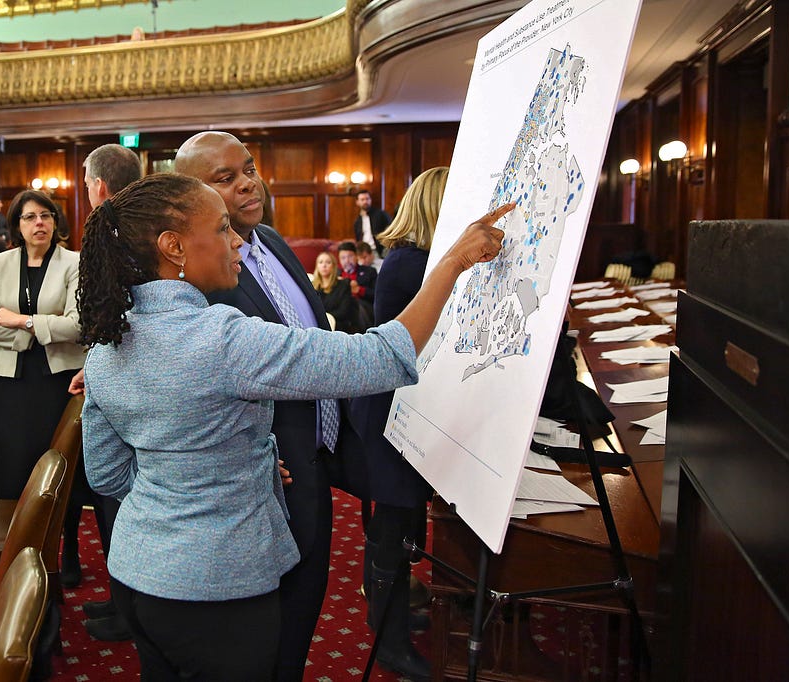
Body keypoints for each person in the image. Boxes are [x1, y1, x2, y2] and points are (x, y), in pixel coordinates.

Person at [78, 173, 511, 681]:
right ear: (173, 247)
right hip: (218, 587)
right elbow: (379, 357)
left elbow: (106, 474)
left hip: (138, 577)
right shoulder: (220, 339)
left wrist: (194, 478)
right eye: (221, 229)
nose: (237, 240)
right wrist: (454, 262)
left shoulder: (107, 345)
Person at [174, 131, 371, 681]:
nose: (247, 184)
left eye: (250, 169)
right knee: (261, 636)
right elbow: (194, 379)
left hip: (314, 461)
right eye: (225, 178)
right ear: (193, 195)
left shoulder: (273, 242)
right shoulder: (198, 272)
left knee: (303, 612)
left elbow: (304, 338)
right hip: (263, 476)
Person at [349, 166, 450, 679]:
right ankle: (387, 640)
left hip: (404, 408)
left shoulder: (415, 259)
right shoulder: (414, 264)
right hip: (394, 412)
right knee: (390, 529)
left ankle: (395, 611)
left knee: (402, 524)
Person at [70, 142, 143, 640]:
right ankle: (123, 601)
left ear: (97, 186)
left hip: (132, 377)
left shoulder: (114, 229)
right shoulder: (144, 218)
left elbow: (113, 312)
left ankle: (131, 610)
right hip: (121, 370)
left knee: (121, 493)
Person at [0, 190, 83, 504]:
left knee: (60, 465)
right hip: (12, 380)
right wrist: (37, 331)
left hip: (58, 380)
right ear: (17, 225)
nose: (40, 223)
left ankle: (69, 546)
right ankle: (11, 542)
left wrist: (22, 322)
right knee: (14, 465)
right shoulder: (0, 263)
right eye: (30, 217)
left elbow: (78, 325)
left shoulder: (73, 263)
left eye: (46, 215)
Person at [311, 251, 358, 333]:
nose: (324, 265)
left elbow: (344, 311)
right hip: (317, 327)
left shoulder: (343, 285)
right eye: (320, 262)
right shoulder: (312, 286)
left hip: (339, 328)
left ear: (333, 266)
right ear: (317, 266)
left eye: (328, 262)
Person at [353, 189, 392, 257]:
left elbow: (391, 230)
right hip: (363, 252)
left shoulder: (381, 214)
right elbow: (358, 239)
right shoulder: (357, 221)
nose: (365, 201)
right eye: (362, 199)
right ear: (357, 202)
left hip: (379, 251)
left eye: (367, 199)